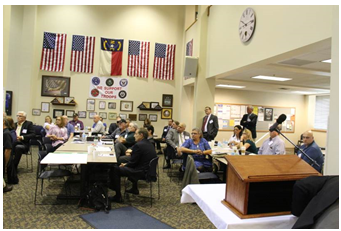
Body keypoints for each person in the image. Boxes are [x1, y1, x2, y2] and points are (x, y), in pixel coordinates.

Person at [109, 128, 157, 202]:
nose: (134, 136)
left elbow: (133, 163)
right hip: (149, 171)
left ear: (141, 135)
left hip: (142, 172)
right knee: (122, 166)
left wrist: (124, 165)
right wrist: (126, 164)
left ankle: (117, 196)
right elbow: (136, 161)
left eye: (136, 134)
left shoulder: (139, 145)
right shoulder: (149, 143)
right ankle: (134, 189)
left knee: (115, 169)